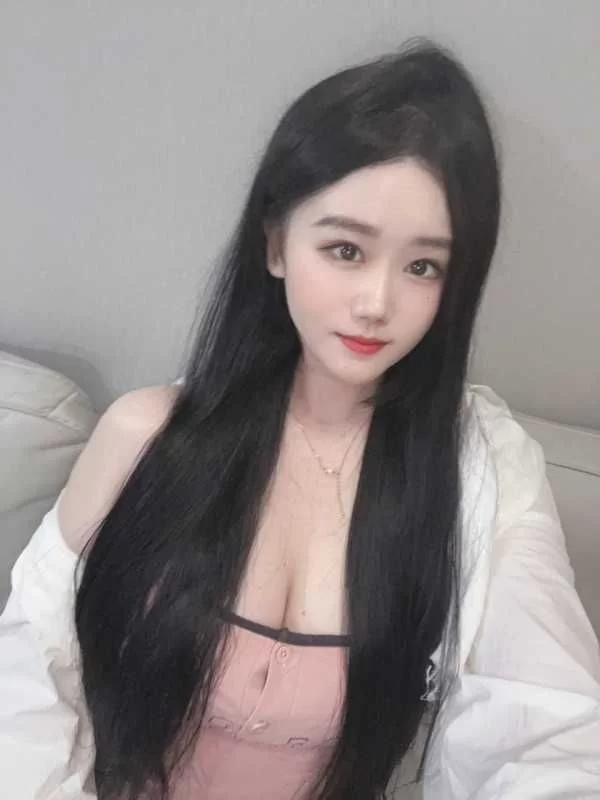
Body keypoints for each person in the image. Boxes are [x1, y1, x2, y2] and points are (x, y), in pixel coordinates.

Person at [1, 36, 599, 800]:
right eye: (346, 250)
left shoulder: (480, 472)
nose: (377, 302)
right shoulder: (145, 438)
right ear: (277, 243)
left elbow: (546, 721)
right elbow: (29, 679)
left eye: (423, 266)